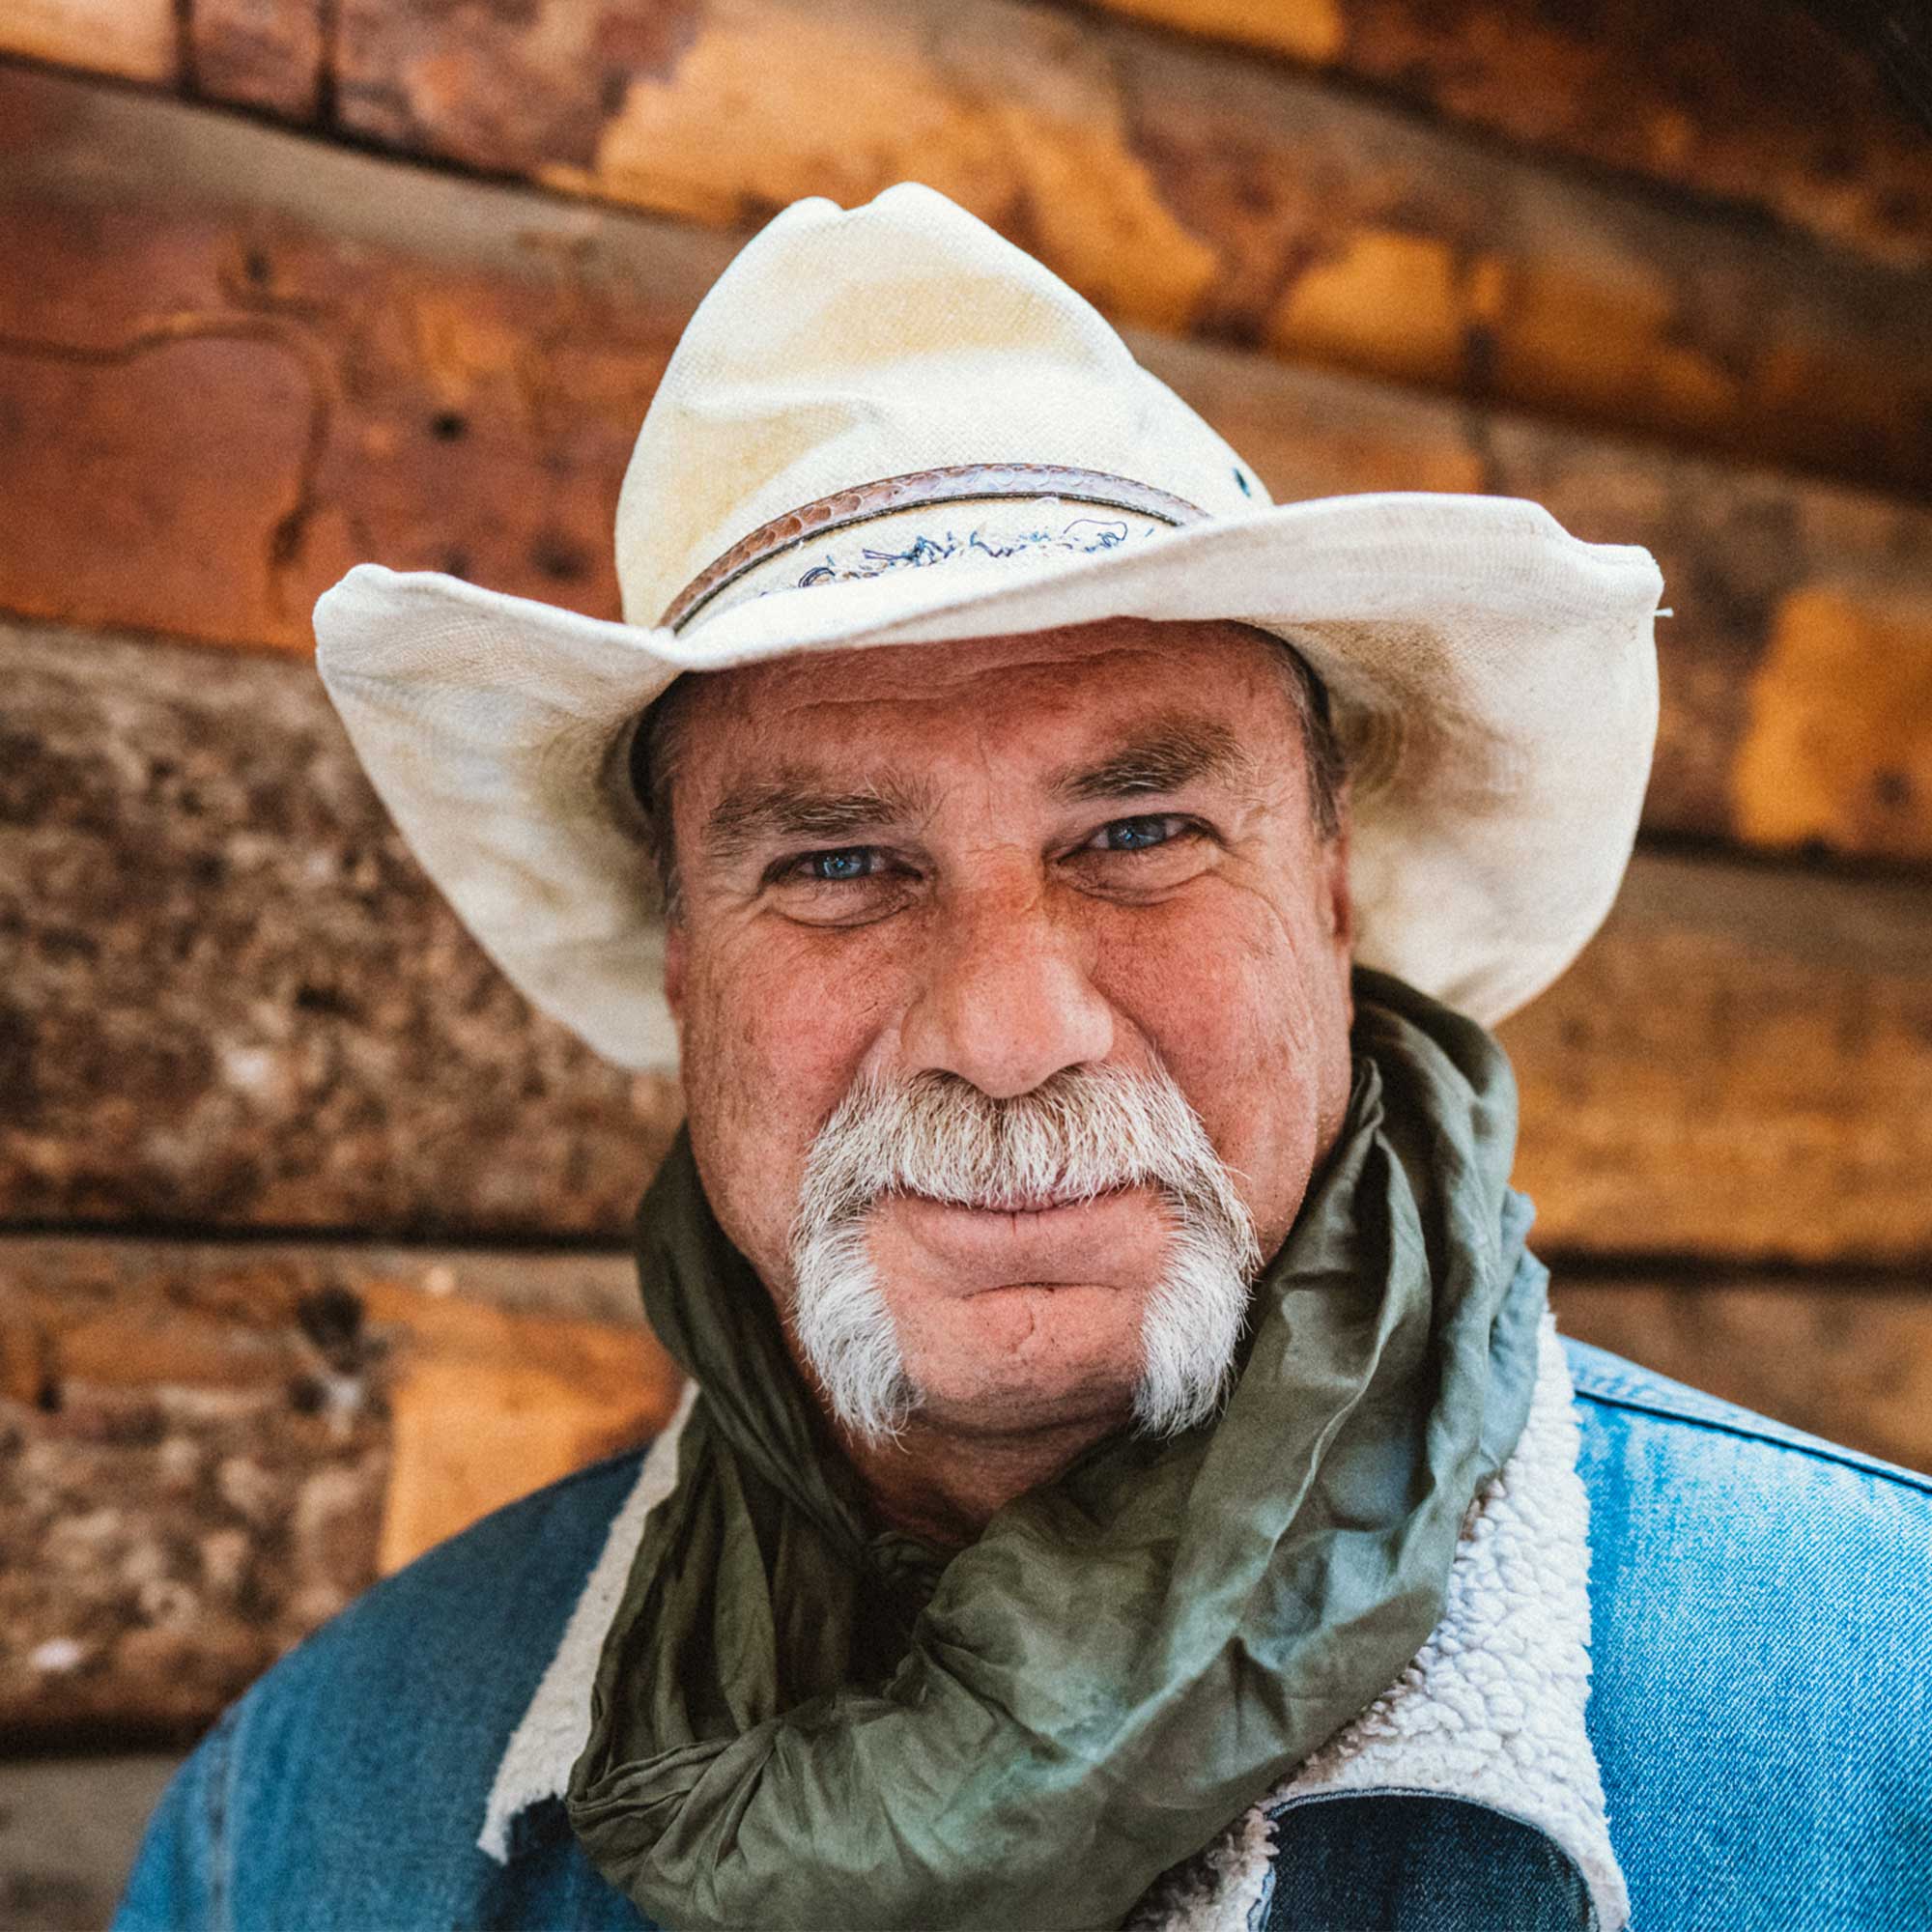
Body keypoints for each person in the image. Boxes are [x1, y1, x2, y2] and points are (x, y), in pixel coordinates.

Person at [116, 185, 1930, 1932]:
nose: (1006, 1037)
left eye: (1138, 834)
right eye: (838, 865)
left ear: (1330, 894)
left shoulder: (1885, 1714)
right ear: (688, 971)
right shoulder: (299, 1820)